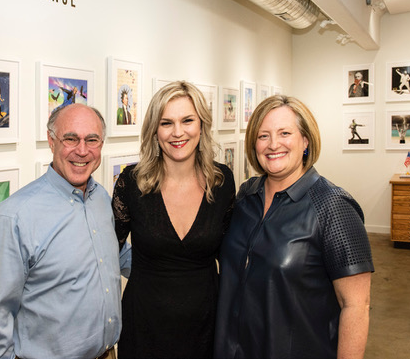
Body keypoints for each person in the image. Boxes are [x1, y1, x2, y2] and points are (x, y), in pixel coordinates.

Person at [214, 95, 373, 359]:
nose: (273, 144)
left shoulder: (333, 207)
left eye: (285, 133)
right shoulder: (245, 197)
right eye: (263, 136)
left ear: (305, 140)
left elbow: (356, 305)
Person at [0, 104, 130, 359]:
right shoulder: (15, 217)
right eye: (71, 138)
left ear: (101, 144)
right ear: (51, 140)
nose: (82, 150)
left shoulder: (101, 198)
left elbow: (119, 255)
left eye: (92, 140)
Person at [112, 81, 236, 359]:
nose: (178, 132)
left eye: (187, 120)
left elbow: (228, 255)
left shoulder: (222, 181)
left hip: (207, 325)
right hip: (144, 326)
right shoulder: (131, 182)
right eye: (166, 122)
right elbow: (108, 250)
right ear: (154, 131)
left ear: (201, 125)